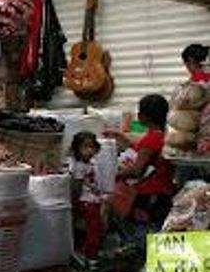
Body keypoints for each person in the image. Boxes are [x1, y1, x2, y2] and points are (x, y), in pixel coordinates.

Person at [106, 94, 176, 227]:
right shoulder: (166, 135)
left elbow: (137, 170)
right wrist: (122, 138)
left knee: (143, 234)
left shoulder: (150, 140)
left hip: (149, 195)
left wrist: (112, 175)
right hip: (165, 191)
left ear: (143, 116)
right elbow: (143, 154)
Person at [67, 132, 103, 258]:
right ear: (77, 149)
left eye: (92, 147)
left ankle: (87, 249)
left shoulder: (90, 163)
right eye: (85, 147)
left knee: (93, 227)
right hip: (86, 200)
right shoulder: (79, 166)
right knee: (93, 228)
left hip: (92, 199)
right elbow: (76, 186)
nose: (89, 150)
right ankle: (89, 253)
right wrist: (74, 201)